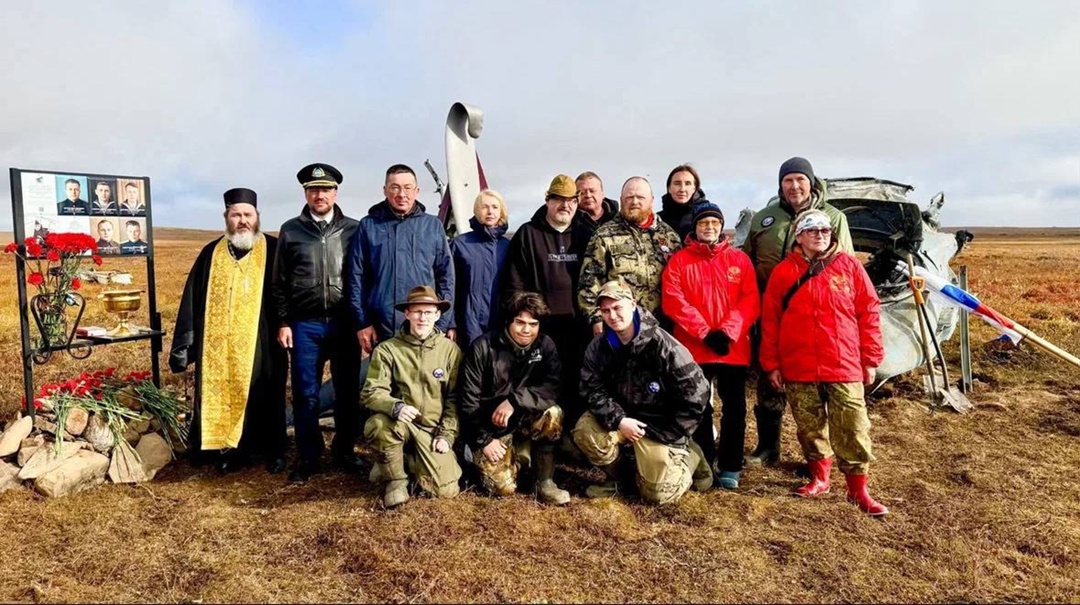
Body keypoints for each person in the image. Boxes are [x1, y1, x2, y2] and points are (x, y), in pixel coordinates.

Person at [760, 209, 888, 516]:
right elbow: (770, 320)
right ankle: (820, 477)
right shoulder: (783, 272)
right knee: (809, 426)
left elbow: (868, 313)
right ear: (799, 236)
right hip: (799, 363)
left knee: (853, 426)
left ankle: (858, 489)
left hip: (843, 362)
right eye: (812, 230)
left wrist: (870, 358)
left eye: (825, 230)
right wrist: (771, 364)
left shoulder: (850, 267)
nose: (820, 234)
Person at [741, 157, 854, 468]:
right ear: (780, 185)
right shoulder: (764, 218)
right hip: (770, 311)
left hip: (818, 318)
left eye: (799, 180)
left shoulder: (833, 218)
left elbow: (847, 268)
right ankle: (768, 447)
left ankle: (822, 457)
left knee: (822, 389)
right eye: (787, 181)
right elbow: (748, 264)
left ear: (811, 182)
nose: (794, 186)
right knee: (769, 379)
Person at [169, 188, 288, 473]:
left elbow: (287, 291)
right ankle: (229, 448)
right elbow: (192, 299)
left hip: (262, 340)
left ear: (257, 217)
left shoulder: (274, 249)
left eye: (248, 215)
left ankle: (273, 450)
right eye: (236, 215)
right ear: (227, 217)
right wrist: (186, 342)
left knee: (267, 390)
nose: (243, 221)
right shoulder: (211, 253)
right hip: (217, 344)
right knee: (222, 390)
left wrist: (287, 324)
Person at [573, 280, 712, 504]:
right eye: (605, 311)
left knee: (659, 495)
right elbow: (591, 388)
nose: (612, 316)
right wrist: (619, 420)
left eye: (617, 307)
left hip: (660, 427)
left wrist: (672, 433)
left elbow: (697, 394)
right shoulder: (598, 347)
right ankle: (622, 481)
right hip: (624, 419)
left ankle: (694, 456)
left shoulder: (663, 345)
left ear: (633, 304)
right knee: (585, 431)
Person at [272, 162, 363, 482]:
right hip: (305, 325)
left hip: (344, 323)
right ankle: (309, 457)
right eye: (313, 189)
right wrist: (283, 321)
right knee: (305, 393)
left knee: (348, 391)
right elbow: (280, 281)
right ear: (305, 193)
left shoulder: (354, 229)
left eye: (325, 189)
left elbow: (362, 276)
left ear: (336, 192)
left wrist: (362, 320)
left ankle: (345, 451)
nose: (319, 195)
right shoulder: (291, 230)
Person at [662, 202, 759, 490]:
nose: (710, 228)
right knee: (698, 408)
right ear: (695, 226)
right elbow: (673, 300)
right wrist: (704, 332)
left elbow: (750, 299)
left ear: (721, 226)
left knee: (735, 409)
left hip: (732, 348)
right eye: (704, 222)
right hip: (694, 348)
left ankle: (731, 465)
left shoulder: (739, 261)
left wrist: (728, 332)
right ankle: (703, 461)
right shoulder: (680, 261)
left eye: (715, 223)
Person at [458, 291, 569, 505]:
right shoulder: (482, 347)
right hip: (490, 428)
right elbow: (467, 402)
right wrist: (484, 440)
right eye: (520, 322)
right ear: (509, 321)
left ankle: (544, 480)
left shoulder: (545, 345)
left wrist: (515, 400)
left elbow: (553, 387)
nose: (526, 330)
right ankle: (511, 456)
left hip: (522, 417)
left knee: (553, 414)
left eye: (533, 324)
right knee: (503, 488)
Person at [362, 285, 463, 508]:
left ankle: (399, 461)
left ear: (437, 315)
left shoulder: (450, 351)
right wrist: (395, 406)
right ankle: (396, 480)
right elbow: (371, 392)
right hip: (401, 425)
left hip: (431, 430)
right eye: (417, 311)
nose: (422, 318)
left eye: (428, 312)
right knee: (377, 425)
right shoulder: (388, 349)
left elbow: (455, 399)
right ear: (407, 313)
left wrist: (446, 435)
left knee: (445, 491)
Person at [503, 174, 593, 422]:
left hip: (579, 328)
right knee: (543, 384)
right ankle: (543, 440)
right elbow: (515, 284)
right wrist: (528, 320)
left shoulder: (586, 234)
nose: (565, 206)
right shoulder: (527, 234)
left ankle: (573, 435)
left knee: (578, 382)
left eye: (571, 200)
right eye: (559, 199)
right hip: (541, 329)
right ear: (547, 200)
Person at [349, 164, 455, 357]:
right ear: (385, 190)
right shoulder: (369, 225)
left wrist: (441, 323)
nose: (401, 193)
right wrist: (362, 322)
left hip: (424, 327)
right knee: (383, 384)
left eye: (407, 187)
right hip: (382, 328)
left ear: (417, 191)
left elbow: (446, 276)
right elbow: (356, 277)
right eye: (395, 187)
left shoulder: (432, 226)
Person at [578, 176, 681, 337]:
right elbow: (589, 282)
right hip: (620, 326)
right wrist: (596, 319)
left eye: (640, 197)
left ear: (651, 200)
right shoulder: (604, 235)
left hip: (663, 327)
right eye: (629, 197)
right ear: (621, 200)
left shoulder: (669, 237)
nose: (634, 202)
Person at [450, 190, 511, 346]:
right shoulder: (460, 244)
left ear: (501, 212)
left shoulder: (509, 246)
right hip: (468, 322)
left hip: (500, 322)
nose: (490, 211)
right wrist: (451, 323)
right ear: (477, 211)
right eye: (484, 207)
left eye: (495, 207)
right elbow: (449, 285)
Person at [658, 164, 706, 240]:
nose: (682, 189)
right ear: (669, 188)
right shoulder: (657, 220)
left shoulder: (706, 217)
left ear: (694, 188)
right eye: (677, 183)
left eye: (688, 184)